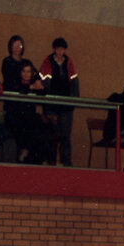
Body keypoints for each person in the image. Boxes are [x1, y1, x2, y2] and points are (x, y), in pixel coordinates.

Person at [38, 37, 78, 166]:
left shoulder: (69, 63)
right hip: (51, 105)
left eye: (62, 49)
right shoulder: (47, 62)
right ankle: (51, 162)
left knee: (65, 135)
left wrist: (73, 102)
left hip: (66, 106)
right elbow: (43, 83)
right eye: (58, 49)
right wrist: (46, 106)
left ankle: (66, 162)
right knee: (52, 135)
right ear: (54, 49)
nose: (60, 51)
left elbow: (75, 84)